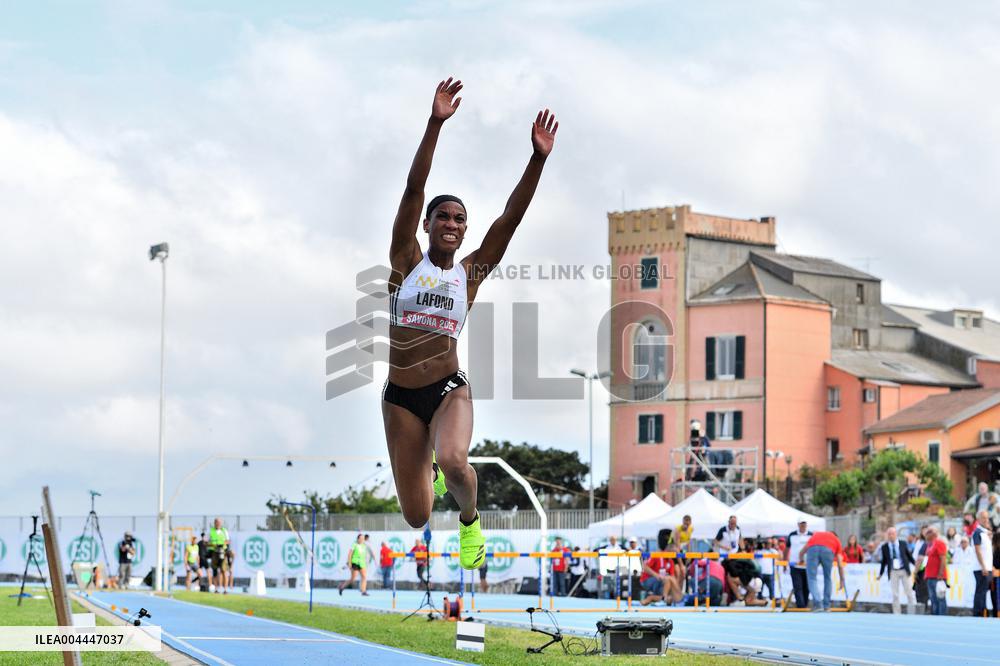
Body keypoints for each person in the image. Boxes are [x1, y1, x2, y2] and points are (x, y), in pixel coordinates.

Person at [382, 76, 558, 573]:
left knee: (459, 462)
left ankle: (469, 519)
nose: (453, 223)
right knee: (416, 517)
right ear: (426, 224)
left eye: (460, 218)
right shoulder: (404, 261)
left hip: (448, 389)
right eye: (443, 216)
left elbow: (510, 218)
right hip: (400, 397)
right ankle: (432, 468)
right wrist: (435, 123)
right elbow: (414, 188)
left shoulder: (470, 275)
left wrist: (538, 159)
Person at [798, 530, 845, 612]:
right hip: (828, 551)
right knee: (827, 578)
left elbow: (803, 550)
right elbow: (840, 565)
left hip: (813, 549)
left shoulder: (817, 534)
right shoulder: (836, 540)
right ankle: (827, 606)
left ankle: (818, 604)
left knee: (812, 578)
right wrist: (842, 580)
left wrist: (801, 559)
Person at [878, 527, 916, 615]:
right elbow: (884, 561)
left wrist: (916, 565)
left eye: (893, 534)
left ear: (896, 534)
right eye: (889, 534)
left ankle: (912, 612)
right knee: (895, 594)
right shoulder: (885, 547)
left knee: (909, 592)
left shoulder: (902, 543)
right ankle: (896, 613)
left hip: (904, 570)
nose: (891, 536)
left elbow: (909, 556)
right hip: (893, 571)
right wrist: (880, 573)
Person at [972, 510, 995, 618]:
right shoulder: (977, 533)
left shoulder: (986, 533)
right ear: (978, 519)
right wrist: (983, 566)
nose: (986, 520)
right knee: (980, 591)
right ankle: (978, 613)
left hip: (988, 567)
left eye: (987, 518)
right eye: (983, 518)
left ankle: (983, 612)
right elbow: (978, 550)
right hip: (981, 568)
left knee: (984, 591)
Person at [786, 520, 812, 608]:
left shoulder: (811, 535)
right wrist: (785, 561)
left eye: (804, 523)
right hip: (794, 564)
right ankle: (800, 606)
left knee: (807, 587)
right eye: (801, 523)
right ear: (798, 524)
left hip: (807, 565)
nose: (803, 525)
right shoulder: (792, 535)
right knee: (797, 586)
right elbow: (787, 548)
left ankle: (804, 604)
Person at [923, 527, 948, 615]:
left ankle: (942, 616)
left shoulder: (939, 543)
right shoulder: (929, 545)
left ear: (933, 534)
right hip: (930, 576)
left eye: (928, 532)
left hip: (937, 576)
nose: (926, 534)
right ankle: (935, 616)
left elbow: (943, 559)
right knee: (933, 599)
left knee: (940, 598)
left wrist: (940, 573)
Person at [208, 518, 230, 593]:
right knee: (215, 571)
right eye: (216, 522)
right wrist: (214, 545)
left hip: (222, 552)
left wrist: (222, 544)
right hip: (214, 552)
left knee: (223, 570)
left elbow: (227, 541)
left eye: (219, 522)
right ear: (214, 523)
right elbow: (208, 542)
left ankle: (225, 589)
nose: (217, 524)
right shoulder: (211, 531)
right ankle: (216, 588)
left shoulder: (224, 531)